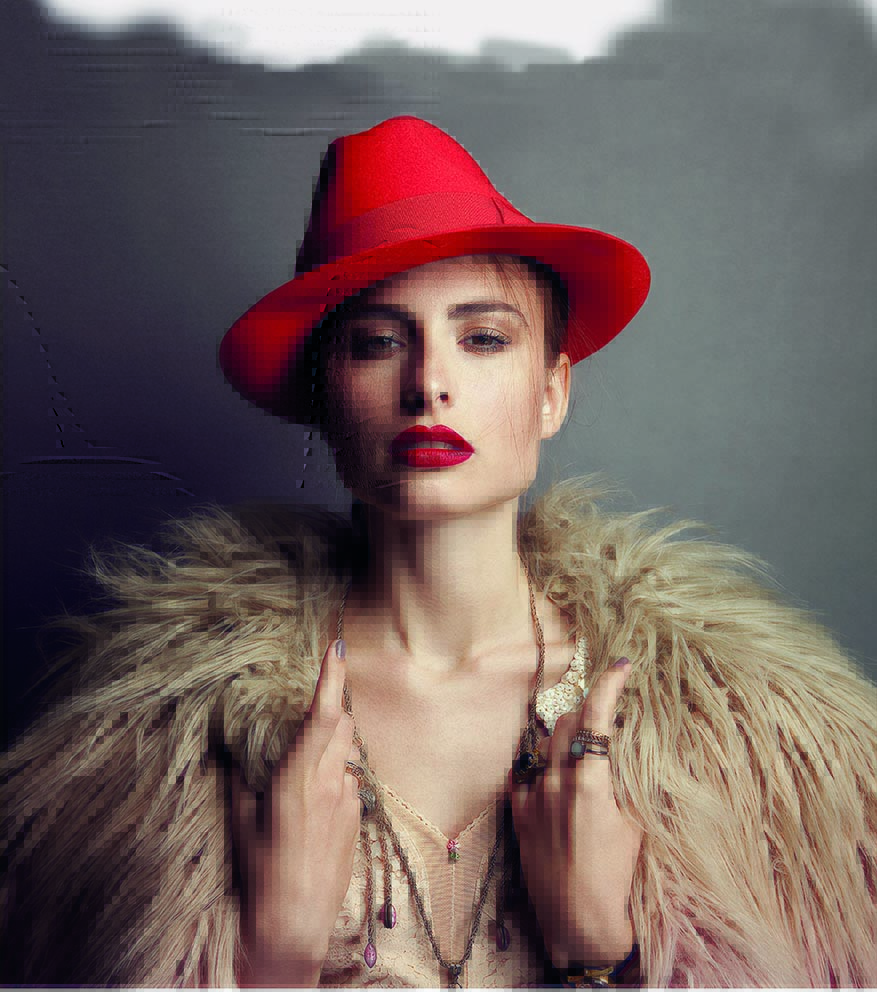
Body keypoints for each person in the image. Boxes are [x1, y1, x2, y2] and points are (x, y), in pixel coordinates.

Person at [1, 116, 875, 989]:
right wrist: (274, 957)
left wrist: (606, 954)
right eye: (378, 343)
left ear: (551, 392)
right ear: (326, 396)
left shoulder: (754, 735)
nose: (428, 384)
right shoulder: (152, 741)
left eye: (483, 338)